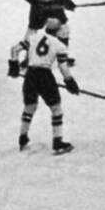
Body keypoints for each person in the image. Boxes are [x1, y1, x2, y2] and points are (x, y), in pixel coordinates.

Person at [10, 19, 78, 154]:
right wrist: (70, 82)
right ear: (58, 32)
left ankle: (23, 137)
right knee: (56, 108)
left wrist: (13, 66)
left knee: (30, 107)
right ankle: (57, 142)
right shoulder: (59, 45)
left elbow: (14, 49)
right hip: (45, 76)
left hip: (30, 75)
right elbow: (63, 67)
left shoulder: (33, 37)